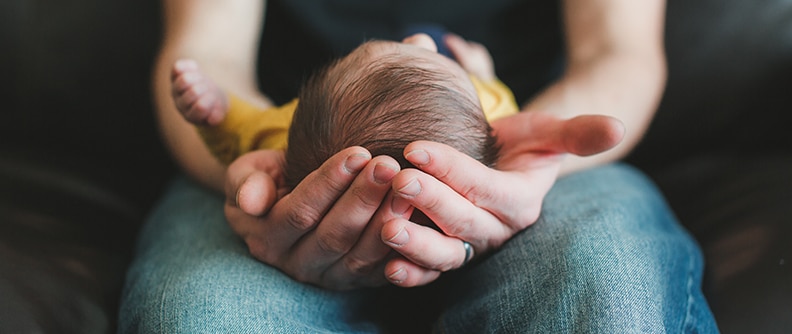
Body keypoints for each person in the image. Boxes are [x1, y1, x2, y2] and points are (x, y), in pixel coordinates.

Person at [120, 0, 720, 332]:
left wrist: (527, 165)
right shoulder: (278, 132)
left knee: (613, 294)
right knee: (204, 319)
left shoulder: (497, 113)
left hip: (535, 153)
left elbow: (619, 52)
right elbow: (208, 53)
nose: (421, 40)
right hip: (292, 153)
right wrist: (258, 179)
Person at [172, 34, 516, 189]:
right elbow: (501, 98)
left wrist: (217, 112)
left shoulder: (281, 135)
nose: (419, 38)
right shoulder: (489, 110)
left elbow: (236, 135)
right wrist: (483, 74)